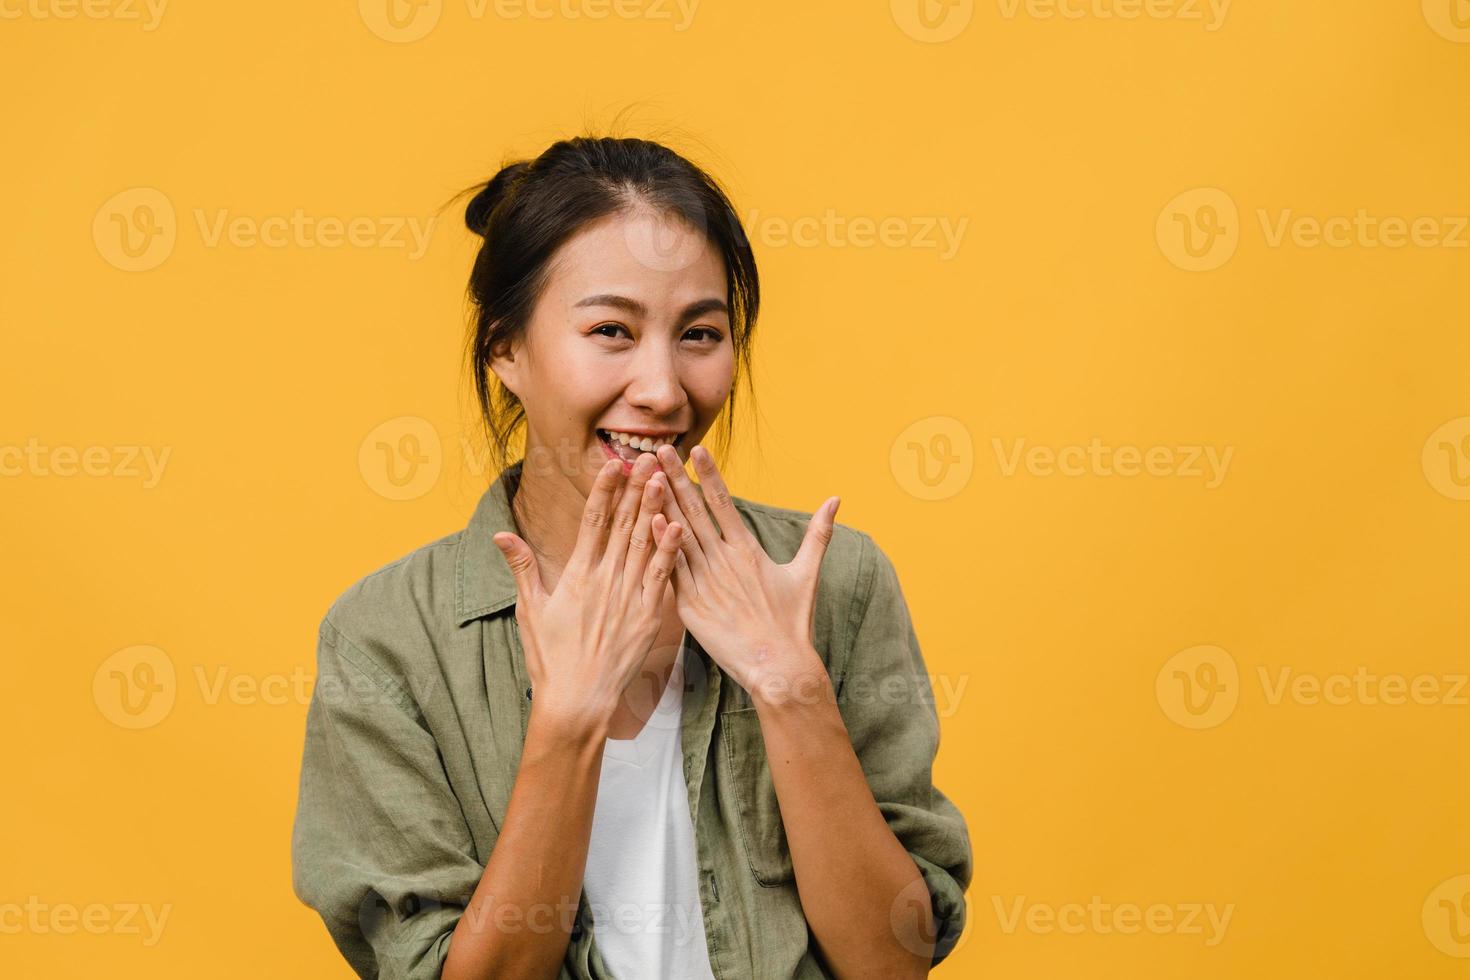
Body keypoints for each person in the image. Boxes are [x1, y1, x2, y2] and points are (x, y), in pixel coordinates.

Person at [290, 135, 972, 979]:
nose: (661, 389)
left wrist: (790, 687)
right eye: (611, 330)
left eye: (700, 333)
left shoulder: (835, 583)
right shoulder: (388, 638)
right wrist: (568, 722)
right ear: (506, 349)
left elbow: (891, 962)